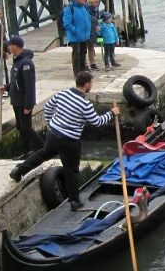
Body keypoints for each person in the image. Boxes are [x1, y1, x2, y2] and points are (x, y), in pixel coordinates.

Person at [9, 71, 120, 211]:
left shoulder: (62, 94)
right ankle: (75, 202)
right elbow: (97, 122)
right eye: (91, 83)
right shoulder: (85, 104)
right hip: (70, 141)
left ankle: (18, 170)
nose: (91, 85)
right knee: (71, 170)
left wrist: (51, 124)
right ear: (87, 84)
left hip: (53, 134)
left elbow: (48, 107)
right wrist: (112, 113)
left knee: (43, 154)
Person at [2, 36, 43, 157]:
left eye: (10, 45)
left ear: (15, 46)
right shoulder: (17, 60)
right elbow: (16, 80)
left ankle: (41, 147)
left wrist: (29, 104)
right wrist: (6, 87)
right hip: (16, 100)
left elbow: (29, 86)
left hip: (23, 101)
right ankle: (27, 150)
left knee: (26, 128)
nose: (8, 47)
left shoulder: (26, 63)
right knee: (20, 127)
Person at [62, 0, 91, 76]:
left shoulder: (84, 7)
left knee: (83, 54)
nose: (84, 0)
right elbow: (67, 23)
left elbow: (88, 19)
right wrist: (75, 30)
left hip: (84, 35)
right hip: (75, 36)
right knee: (76, 55)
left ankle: (82, 72)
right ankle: (77, 73)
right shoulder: (69, 9)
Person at [85, 0, 103, 70]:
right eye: (95, 1)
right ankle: (84, 65)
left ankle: (93, 63)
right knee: (84, 49)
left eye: (98, 1)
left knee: (91, 48)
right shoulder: (86, 9)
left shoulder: (95, 10)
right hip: (87, 30)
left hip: (93, 30)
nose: (97, 3)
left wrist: (98, 25)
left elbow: (96, 19)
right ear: (91, 1)